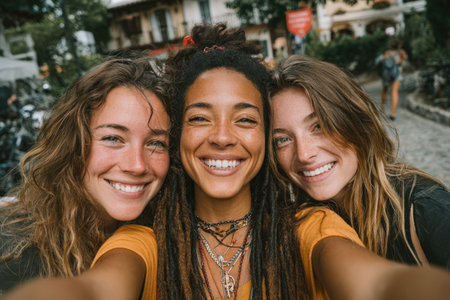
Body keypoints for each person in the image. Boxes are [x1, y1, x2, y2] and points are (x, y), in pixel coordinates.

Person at [2, 24, 450, 300]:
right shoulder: (144, 239)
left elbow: (376, 285)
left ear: (263, 138)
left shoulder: (312, 225)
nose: (221, 136)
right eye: (200, 118)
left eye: (246, 119)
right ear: (178, 138)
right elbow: (95, 290)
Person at [0, 54, 171, 293]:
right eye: (113, 138)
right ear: (73, 144)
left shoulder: (171, 232)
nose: (137, 165)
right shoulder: (12, 252)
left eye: (156, 143)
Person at [270, 54, 450, 271]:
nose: (303, 154)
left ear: (354, 121)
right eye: (282, 139)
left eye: (318, 126)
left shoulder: (429, 211)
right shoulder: (297, 226)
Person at [380, 38, 408, 121]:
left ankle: (383, 106)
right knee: (394, 92)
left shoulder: (387, 53)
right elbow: (405, 58)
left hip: (387, 74)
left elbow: (383, 62)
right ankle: (393, 113)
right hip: (397, 74)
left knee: (385, 89)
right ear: (398, 45)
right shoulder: (401, 52)